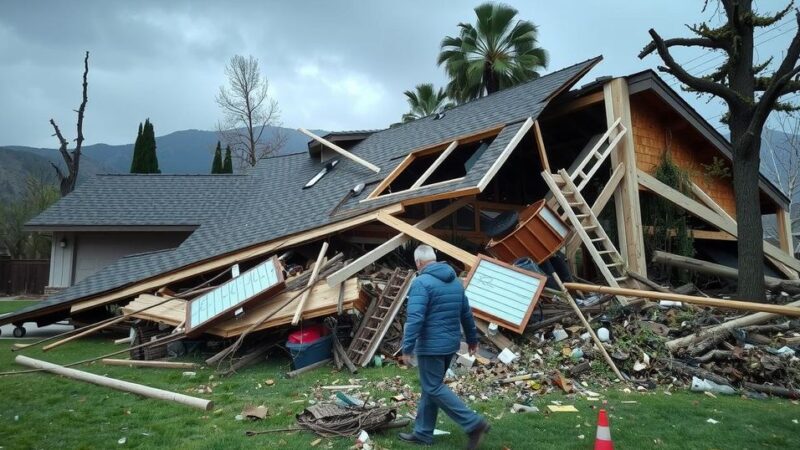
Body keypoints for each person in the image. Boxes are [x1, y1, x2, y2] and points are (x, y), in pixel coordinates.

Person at [398, 245, 490, 449]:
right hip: (450, 345)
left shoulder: (421, 283)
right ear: (435, 259)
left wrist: (407, 348)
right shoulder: (455, 282)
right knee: (430, 387)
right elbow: (466, 313)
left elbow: (415, 318)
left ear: (418, 263)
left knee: (433, 386)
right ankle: (423, 433)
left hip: (431, 346)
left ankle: (474, 423)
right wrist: (473, 340)